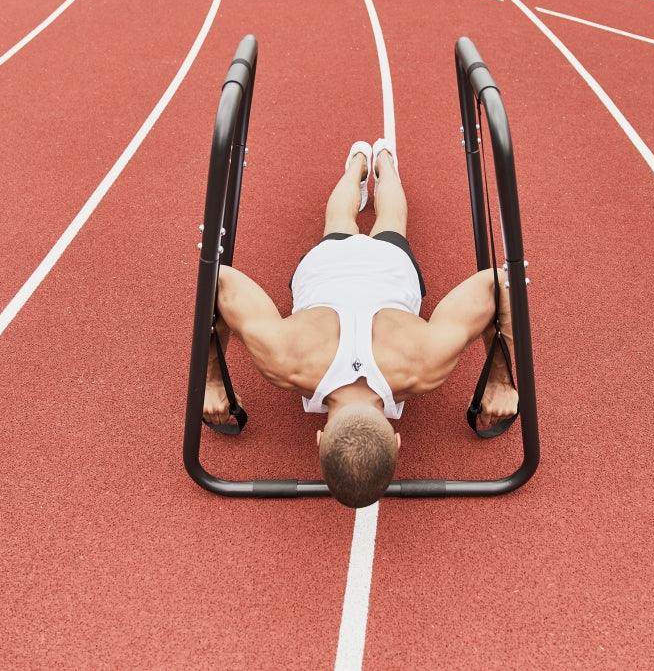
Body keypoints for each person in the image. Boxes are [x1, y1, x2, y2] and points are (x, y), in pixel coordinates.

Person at [203, 139, 518, 508]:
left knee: (387, 225)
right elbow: (219, 281)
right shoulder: (283, 360)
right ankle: (369, 162)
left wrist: (502, 381)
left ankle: (371, 163)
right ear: (320, 438)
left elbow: (497, 284)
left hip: (380, 266)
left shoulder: (425, 364)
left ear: (396, 441)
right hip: (331, 265)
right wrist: (211, 381)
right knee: (344, 224)